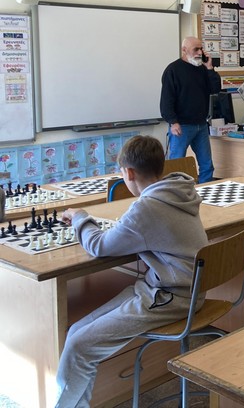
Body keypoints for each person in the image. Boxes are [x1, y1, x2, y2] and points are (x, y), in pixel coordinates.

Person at [55, 136, 207, 408]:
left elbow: (99, 245)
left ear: (129, 173)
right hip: (177, 289)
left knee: (79, 347)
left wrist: (80, 218)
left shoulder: (148, 207)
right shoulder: (177, 191)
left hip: (173, 297)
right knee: (75, 331)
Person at [160, 36, 221, 183]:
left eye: (201, 49)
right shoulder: (173, 70)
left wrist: (210, 68)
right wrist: (173, 122)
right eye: (196, 49)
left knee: (207, 165)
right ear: (184, 50)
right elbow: (166, 100)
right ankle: (175, 192)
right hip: (181, 126)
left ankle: (206, 192)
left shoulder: (202, 69)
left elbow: (215, 89)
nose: (200, 52)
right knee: (176, 166)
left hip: (201, 124)